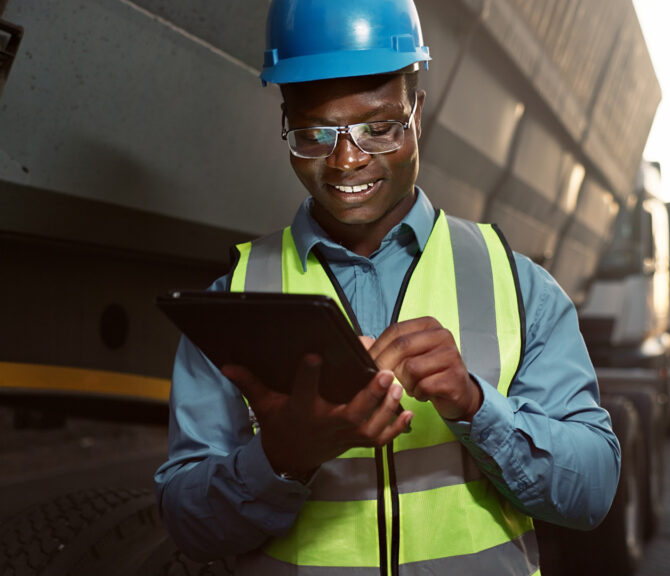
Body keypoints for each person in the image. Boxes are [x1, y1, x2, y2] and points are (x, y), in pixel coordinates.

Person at [154, 0, 620, 573]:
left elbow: (592, 491)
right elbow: (187, 525)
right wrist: (280, 459)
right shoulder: (232, 304)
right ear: (285, 122)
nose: (346, 161)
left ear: (417, 113)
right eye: (313, 134)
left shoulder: (519, 286)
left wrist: (476, 406)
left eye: (378, 129)